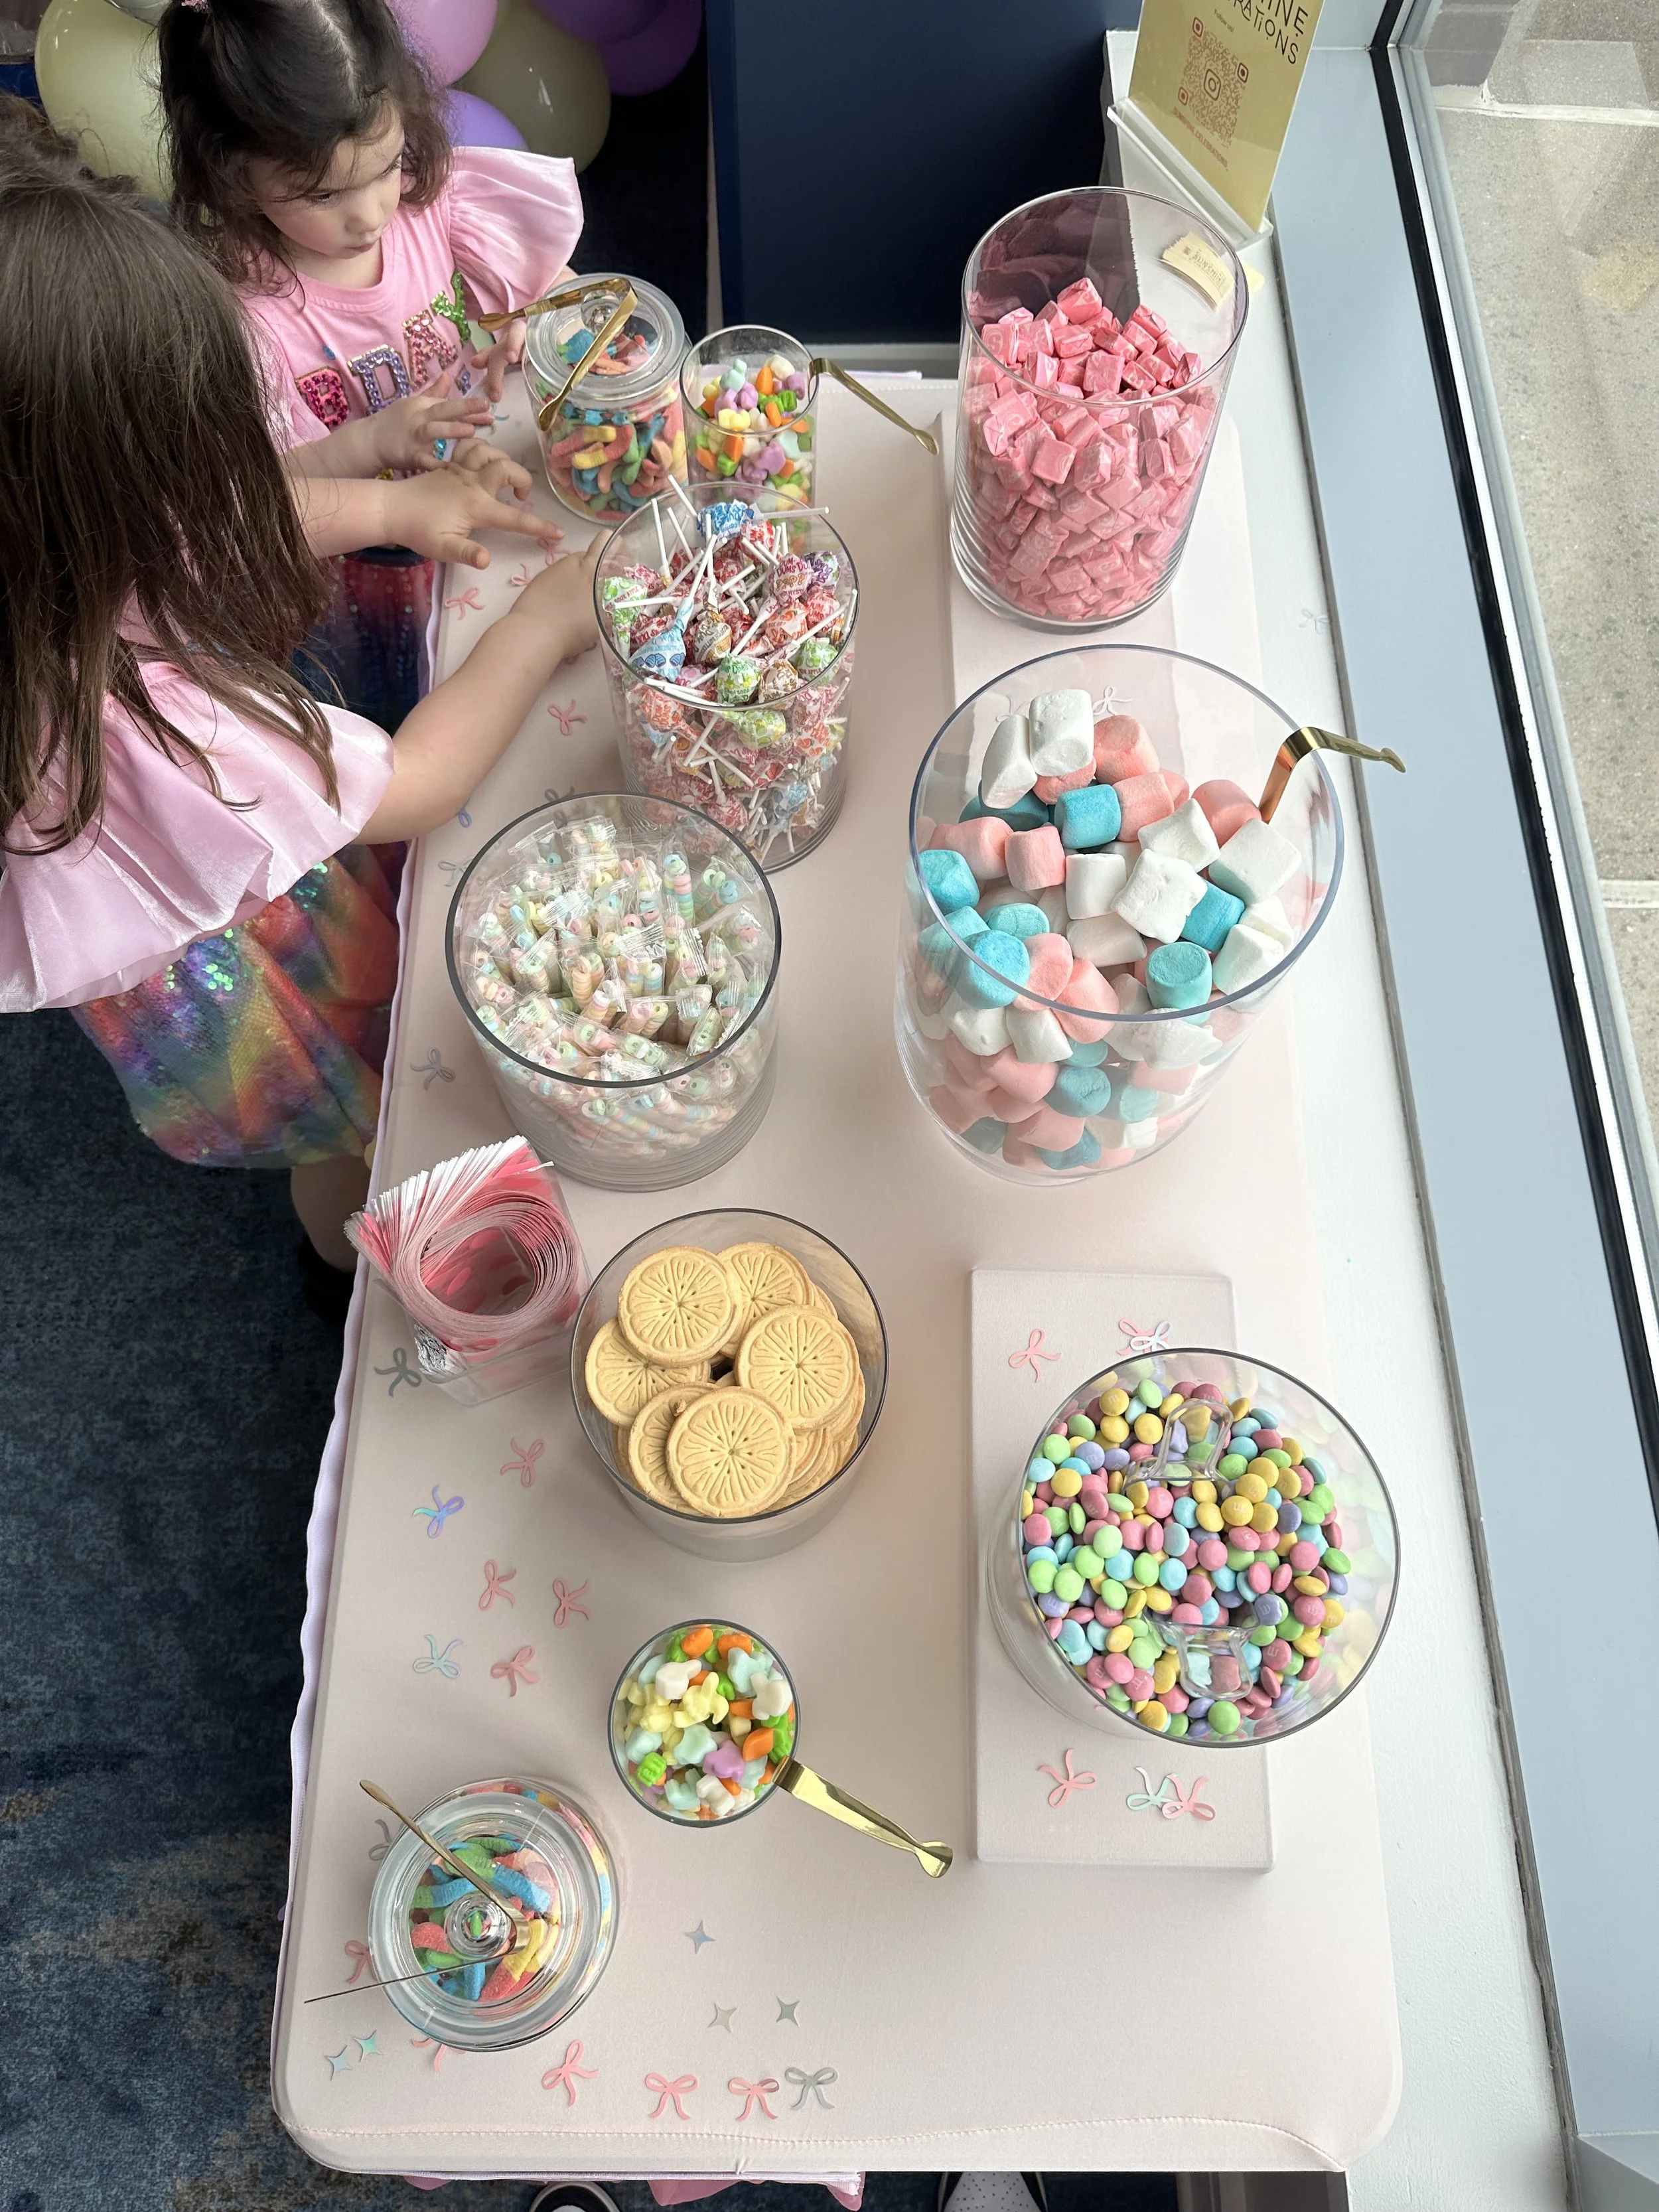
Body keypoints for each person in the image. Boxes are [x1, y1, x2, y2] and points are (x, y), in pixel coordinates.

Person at [0, 105, 600, 1287]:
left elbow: (203, 524)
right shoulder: (166, 742)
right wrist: (540, 627)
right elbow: (414, 787)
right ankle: (352, 1244)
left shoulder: (42, 574)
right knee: (358, 1111)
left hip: (171, 894)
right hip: (244, 984)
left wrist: (369, 477)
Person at [157, 0, 585, 727]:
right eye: (323, 194)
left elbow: (564, 286)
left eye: (386, 167)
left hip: (489, 518)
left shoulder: (431, 206)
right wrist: (369, 442)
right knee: (404, 718)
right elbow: (251, 502)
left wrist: (537, 320)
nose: (369, 214)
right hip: (358, 581)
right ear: (232, 173)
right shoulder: (239, 320)